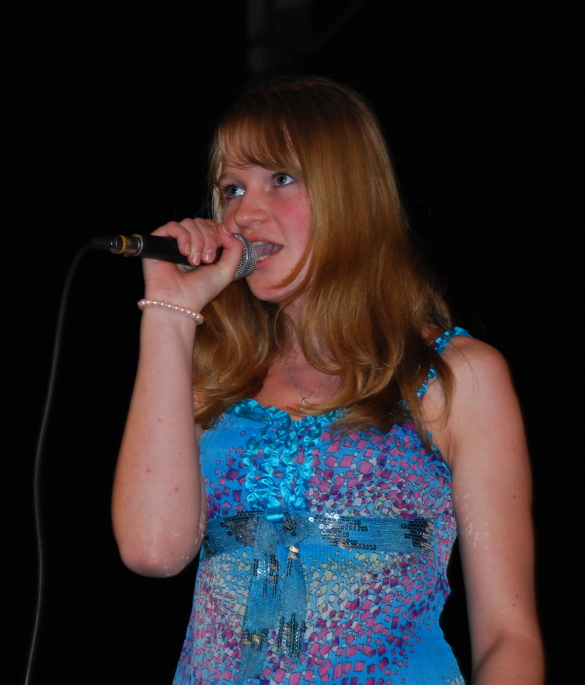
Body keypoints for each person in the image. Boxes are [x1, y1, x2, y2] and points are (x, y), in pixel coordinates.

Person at [112, 77, 543, 684]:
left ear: (352, 194)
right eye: (232, 189)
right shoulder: (212, 378)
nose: (243, 213)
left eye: (281, 178)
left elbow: (507, 635)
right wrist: (169, 313)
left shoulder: (453, 375)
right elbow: (152, 551)